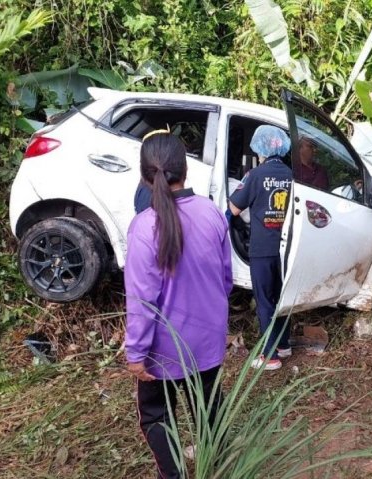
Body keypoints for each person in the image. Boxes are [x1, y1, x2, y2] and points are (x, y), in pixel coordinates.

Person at [125, 131, 233, 478]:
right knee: (210, 409)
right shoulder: (211, 213)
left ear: (144, 177)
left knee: (158, 416)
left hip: (162, 351)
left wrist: (136, 353)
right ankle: (217, 467)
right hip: (208, 341)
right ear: (186, 169)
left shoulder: (143, 228)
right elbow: (226, 280)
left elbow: (142, 302)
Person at [228, 125, 293, 371]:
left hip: (262, 248)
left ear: (259, 148)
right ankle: (284, 345)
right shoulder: (290, 175)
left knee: (264, 301)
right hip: (287, 248)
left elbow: (233, 210)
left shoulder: (254, 175)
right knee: (281, 297)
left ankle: (269, 355)